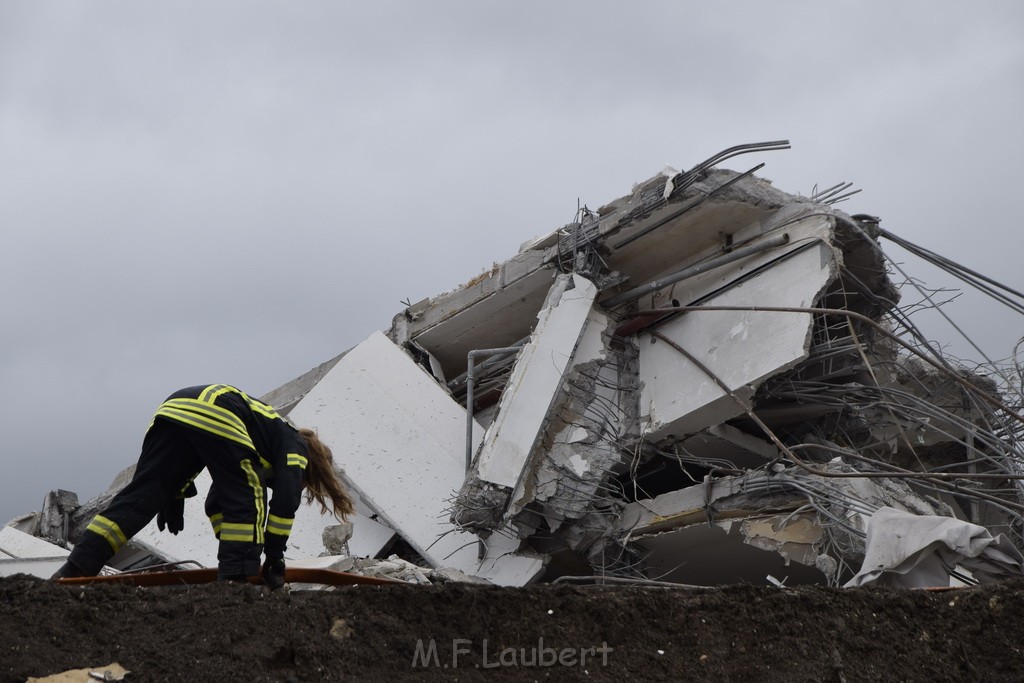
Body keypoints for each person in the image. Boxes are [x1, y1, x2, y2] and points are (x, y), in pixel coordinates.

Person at [52, 384, 353, 587]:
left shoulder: (265, 438)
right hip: (217, 408)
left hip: (172, 409)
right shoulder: (293, 444)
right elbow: (285, 502)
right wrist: (273, 557)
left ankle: (76, 568)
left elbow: (216, 501)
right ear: (313, 464)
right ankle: (236, 581)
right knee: (248, 498)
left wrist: (174, 492)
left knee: (144, 496)